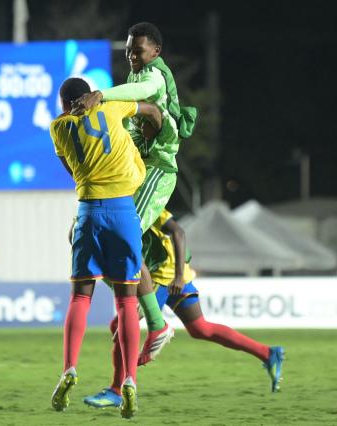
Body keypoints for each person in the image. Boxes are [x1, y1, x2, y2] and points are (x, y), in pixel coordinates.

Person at [72, 22, 197, 363]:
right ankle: (139, 303)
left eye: (137, 50)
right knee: (89, 235)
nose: (131, 56)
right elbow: (127, 119)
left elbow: (140, 101)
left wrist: (101, 94)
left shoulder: (155, 77)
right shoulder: (135, 82)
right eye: (128, 50)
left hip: (158, 170)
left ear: (155, 52)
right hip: (136, 169)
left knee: (126, 238)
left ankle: (153, 319)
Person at [83, 210, 286, 409]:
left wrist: (178, 276)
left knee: (121, 323)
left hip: (165, 276)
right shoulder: (121, 209)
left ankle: (117, 391)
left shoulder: (146, 206)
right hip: (169, 275)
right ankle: (268, 353)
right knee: (200, 328)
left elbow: (178, 232)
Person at [49, 77, 164, 419]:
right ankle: (129, 379)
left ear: (64, 103)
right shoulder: (112, 108)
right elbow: (152, 110)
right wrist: (151, 130)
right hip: (122, 212)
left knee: (80, 297)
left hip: (88, 211)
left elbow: (72, 171)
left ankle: (69, 368)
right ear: (89, 95)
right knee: (127, 300)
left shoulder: (58, 128)